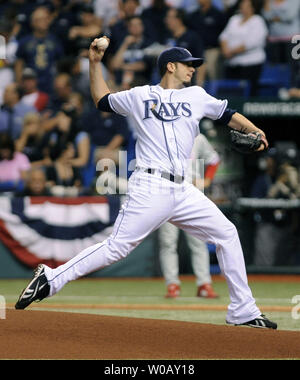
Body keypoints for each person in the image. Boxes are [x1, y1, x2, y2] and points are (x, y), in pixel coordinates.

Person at [15, 38, 277, 330]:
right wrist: (94, 62)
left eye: (194, 65)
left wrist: (256, 130)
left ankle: (243, 311)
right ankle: (52, 278)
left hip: (184, 188)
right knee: (116, 248)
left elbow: (228, 116)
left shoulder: (197, 96)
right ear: (170, 66)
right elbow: (102, 99)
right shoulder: (140, 95)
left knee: (227, 233)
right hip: (151, 185)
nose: (192, 69)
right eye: (188, 65)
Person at [159, 133, 220, 298]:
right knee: (168, 242)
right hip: (168, 192)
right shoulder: (162, 133)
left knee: (198, 241)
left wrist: (206, 180)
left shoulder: (197, 137)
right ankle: (172, 284)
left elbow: (214, 159)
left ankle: (204, 284)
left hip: (192, 192)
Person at [219, 0, 268, 96]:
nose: (243, 8)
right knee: (232, 93)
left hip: (251, 64)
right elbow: (224, 36)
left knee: (249, 93)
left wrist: (231, 52)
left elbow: (252, 42)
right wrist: (225, 50)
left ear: (253, 8)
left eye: (246, 6)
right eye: (242, 6)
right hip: (232, 64)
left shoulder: (258, 21)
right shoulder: (234, 19)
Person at [14, 6, 64, 94]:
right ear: (33, 23)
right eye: (40, 19)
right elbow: (19, 63)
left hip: (50, 83)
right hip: (30, 85)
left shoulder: (55, 41)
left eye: (46, 19)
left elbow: (60, 63)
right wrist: (19, 83)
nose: (45, 22)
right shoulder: (24, 42)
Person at [164, 8, 206, 85]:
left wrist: (199, 84)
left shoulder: (192, 37)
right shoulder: (167, 37)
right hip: (170, 83)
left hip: (187, 83)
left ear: (178, 20)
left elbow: (201, 63)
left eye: (169, 17)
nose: (166, 20)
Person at [188, 0, 227, 80]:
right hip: (195, 51)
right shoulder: (193, 15)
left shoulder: (218, 15)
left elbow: (224, 34)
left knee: (211, 68)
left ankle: (214, 90)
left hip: (212, 49)